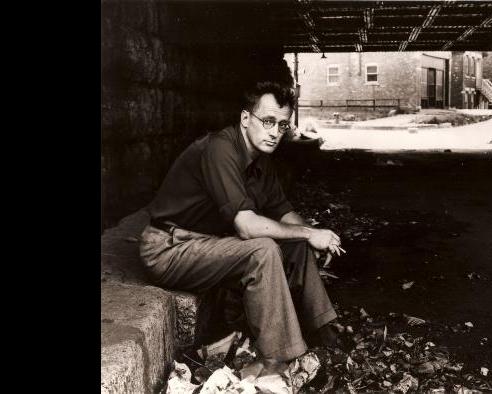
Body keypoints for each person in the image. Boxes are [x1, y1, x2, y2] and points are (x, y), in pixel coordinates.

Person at [138, 58, 344, 377]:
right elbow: (247, 228)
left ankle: (324, 329)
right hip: (168, 248)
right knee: (263, 249)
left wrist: (314, 233)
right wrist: (306, 233)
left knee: (297, 244)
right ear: (246, 118)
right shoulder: (220, 149)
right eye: (268, 121)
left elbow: (285, 213)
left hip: (207, 245)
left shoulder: (262, 161)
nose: (275, 132)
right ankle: (275, 360)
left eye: (282, 125)